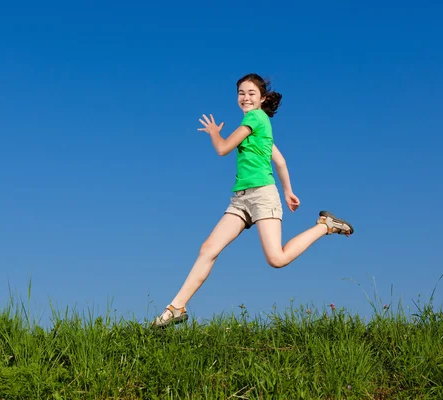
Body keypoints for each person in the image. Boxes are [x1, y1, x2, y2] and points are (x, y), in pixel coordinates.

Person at [151, 73, 354, 328]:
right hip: (241, 199)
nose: (245, 97)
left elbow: (223, 148)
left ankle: (325, 225)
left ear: (262, 98)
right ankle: (176, 307)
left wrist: (214, 133)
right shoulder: (262, 125)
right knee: (208, 249)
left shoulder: (254, 118)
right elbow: (278, 159)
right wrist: (289, 191)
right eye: (241, 93)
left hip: (261, 196)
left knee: (277, 259)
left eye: (251, 93)